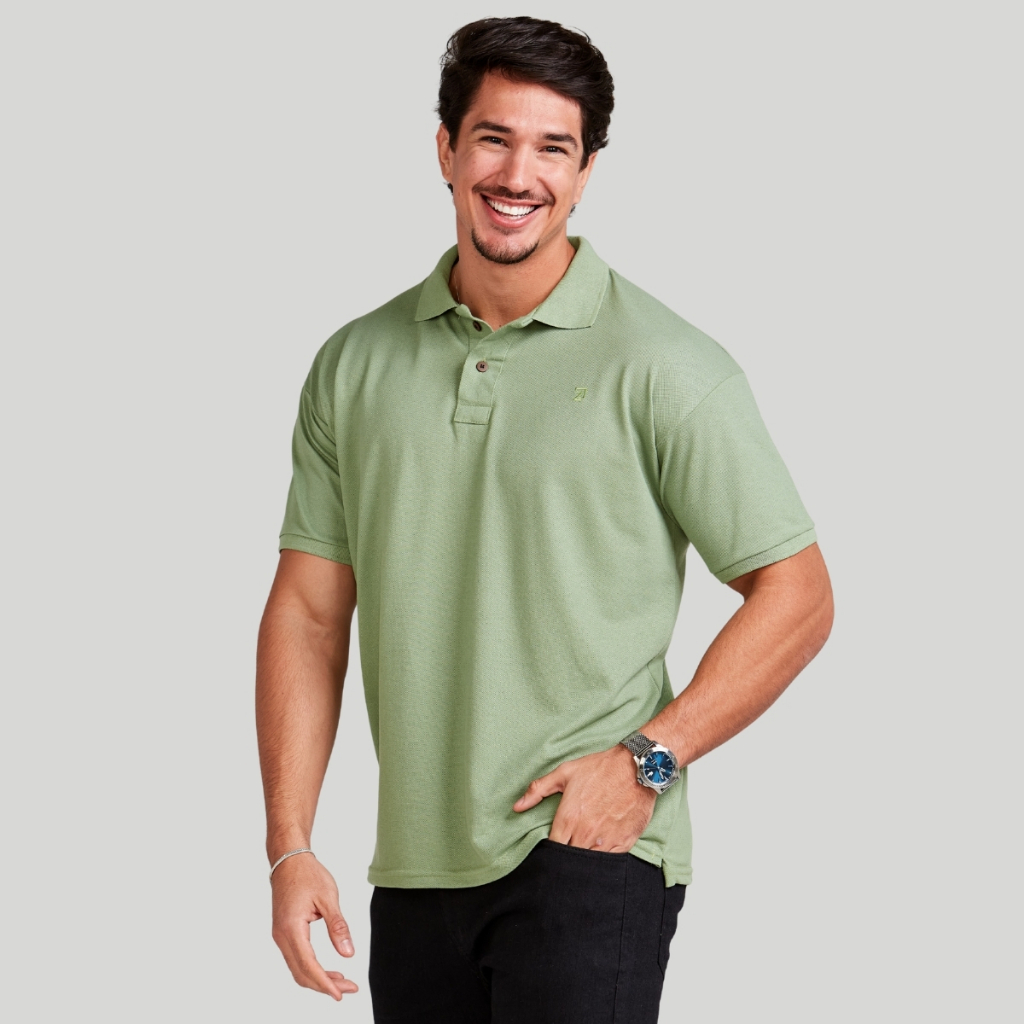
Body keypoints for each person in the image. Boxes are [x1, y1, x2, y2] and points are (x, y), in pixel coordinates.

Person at [255, 16, 834, 1022]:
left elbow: (799, 594)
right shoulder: (354, 364)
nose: (518, 174)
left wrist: (648, 761)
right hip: (416, 867)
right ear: (445, 148)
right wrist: (290, 846)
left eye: (553, 147)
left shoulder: (666, 365)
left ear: (585, 170)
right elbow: (308, 614)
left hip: (588, 850)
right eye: (493, 138)